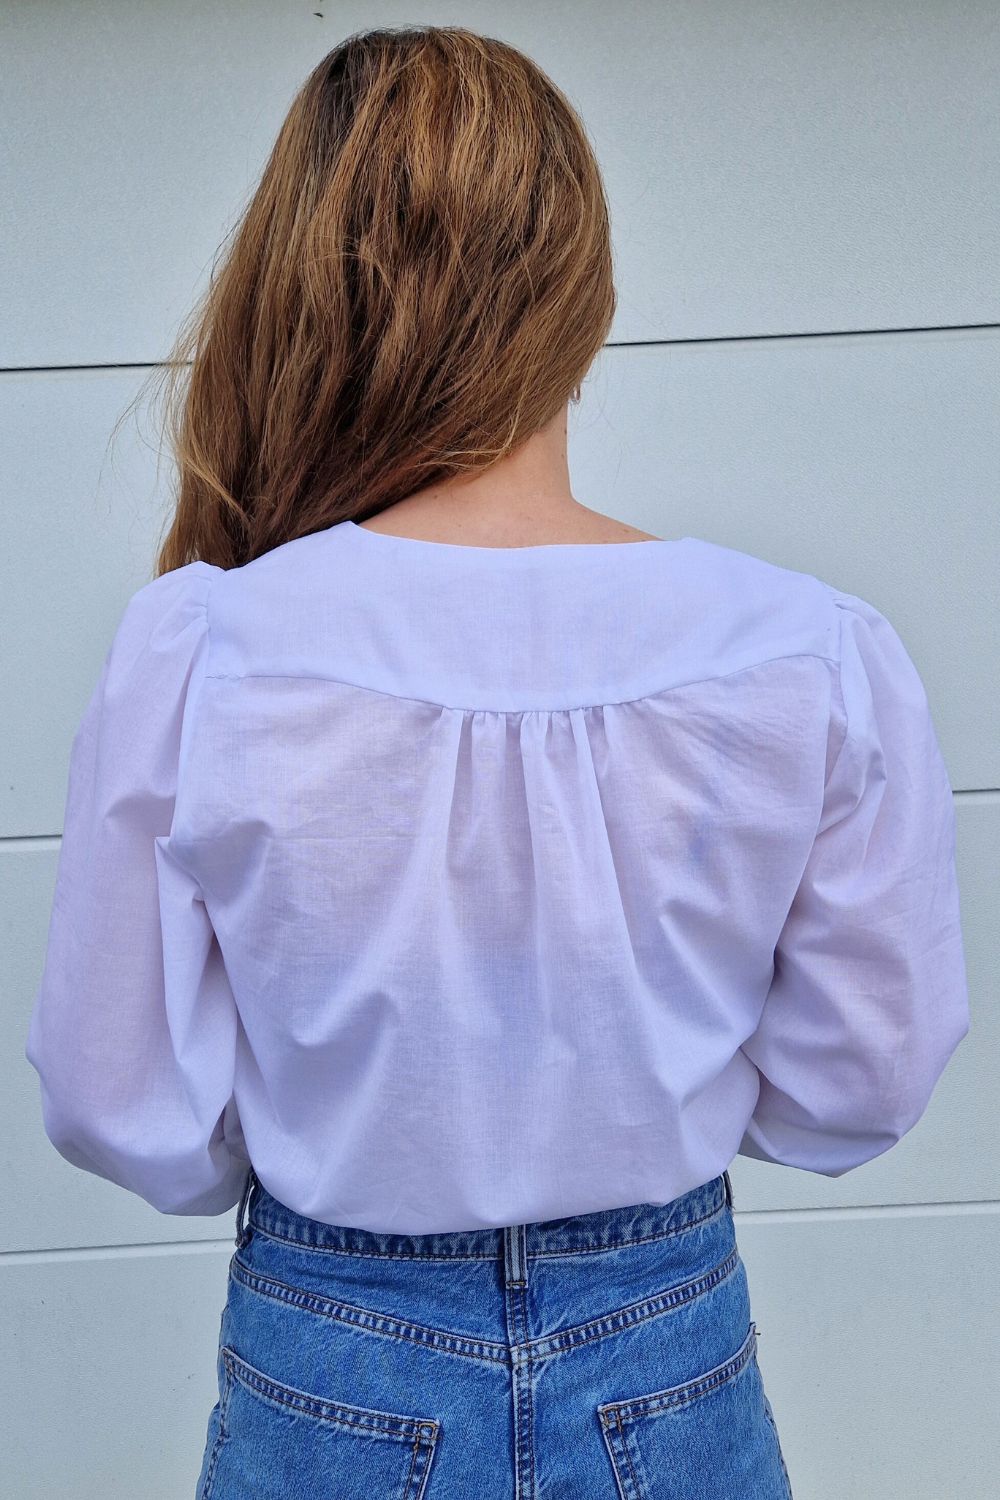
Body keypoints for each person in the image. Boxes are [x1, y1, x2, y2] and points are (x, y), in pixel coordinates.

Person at [24, 25, 969, 1500]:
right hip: (665, 1350)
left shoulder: (208, 651)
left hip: (331, 1357)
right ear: (584, 295)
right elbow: (863, 1077)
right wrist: (641, 1101)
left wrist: (340, 1126)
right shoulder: (804, 653)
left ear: (301, 287)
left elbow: (118, 1099)